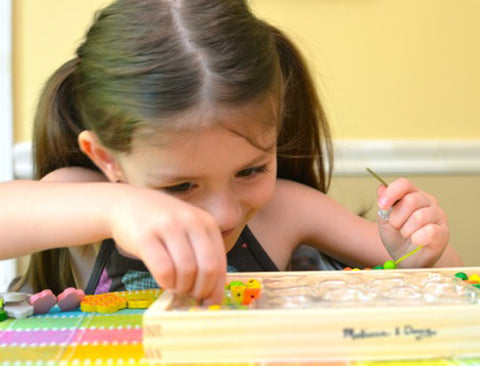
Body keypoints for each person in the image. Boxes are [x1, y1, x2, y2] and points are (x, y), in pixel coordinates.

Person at [0, 0, 462, 305]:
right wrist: (120, 207)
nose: (222, 213)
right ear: (106, 159)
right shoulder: (81, 199)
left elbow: (452, 280)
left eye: (251, 170)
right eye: (180, 185)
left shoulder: (284, 209)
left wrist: (413, 253)